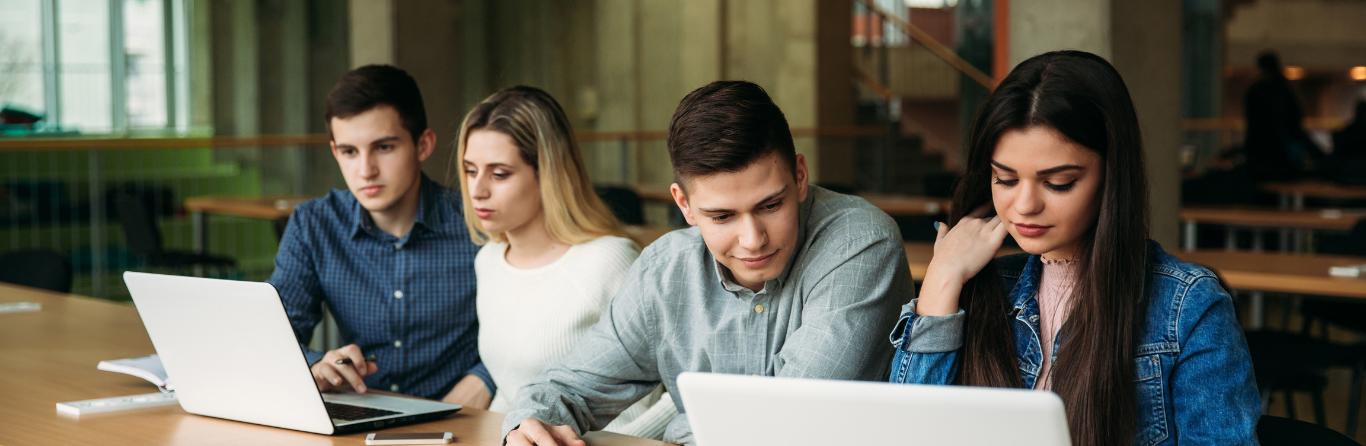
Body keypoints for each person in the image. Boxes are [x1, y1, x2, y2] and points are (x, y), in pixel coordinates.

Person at [501, 81, 914, 445]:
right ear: (684, 204)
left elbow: (789, 422)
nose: (753, 240)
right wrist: (531, 424)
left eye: (771, 205)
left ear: (800, 176)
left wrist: (677, 430)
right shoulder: (665, 269)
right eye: (722, 217)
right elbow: (568, 386)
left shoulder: (860, 243)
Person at [887, 50, 1260, 445]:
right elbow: (904, 434)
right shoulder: (984, 287)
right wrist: (942, 280)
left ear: (1111, 177)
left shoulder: (1188, 308)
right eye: (1005, 180)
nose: (1025, 205)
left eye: (1059, 182)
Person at [455, 86, 676, 438]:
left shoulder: (608, 260)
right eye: (470, 170)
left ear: (548, 174)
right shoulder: (489, 260)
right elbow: (511, 392)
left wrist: (622, 444)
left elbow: (676, 389)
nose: (477, 190)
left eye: (499, 174)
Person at [269, 65, 492, 406]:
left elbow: (530, 334)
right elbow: (276, 334)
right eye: (349, 152)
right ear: (335, 151)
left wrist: (484, 382)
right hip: (360, 417)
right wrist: (317, 365)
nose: (365, 170)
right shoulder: (314, 225)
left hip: (462, 422)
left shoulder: (478, 224)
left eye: (384, 148)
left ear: (423, 145)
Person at [1243, 50, 1320, 180]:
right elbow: (1295, 118)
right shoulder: (1285, 88)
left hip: (1263, 150)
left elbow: (1253, 122)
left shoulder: (1257, 90)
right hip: (1282, 150)